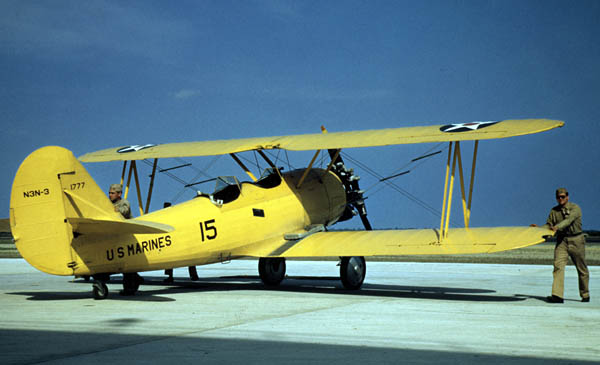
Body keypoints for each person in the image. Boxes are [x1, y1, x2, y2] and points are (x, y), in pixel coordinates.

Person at [533, 188, 589, 303]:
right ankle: (557, 296)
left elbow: (568, 221)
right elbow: (549, 225)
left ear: (567, 197)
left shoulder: (575, 208)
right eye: (558, 197)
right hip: (562, 241)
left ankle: (585, 294)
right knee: (558, 266)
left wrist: (557, 227)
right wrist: (538, 229)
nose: (560, 199)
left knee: (581, 269)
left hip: (576, 240)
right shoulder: (554, 211)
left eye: (563, 197)